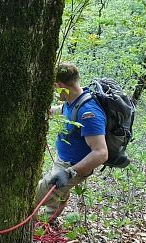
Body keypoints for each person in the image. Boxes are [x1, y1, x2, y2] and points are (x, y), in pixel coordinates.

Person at [36, 63, 108, 221]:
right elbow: (63, 110)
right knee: (56, 198)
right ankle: (46, 224)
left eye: (55, 88)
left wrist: (69, 173)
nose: (55, 92)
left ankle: (33, 227)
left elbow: (101, 153)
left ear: (59, 86)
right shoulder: (73, 101)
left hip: (71, 167)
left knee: (33, 198)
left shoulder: (88, 112)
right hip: (62, 160)